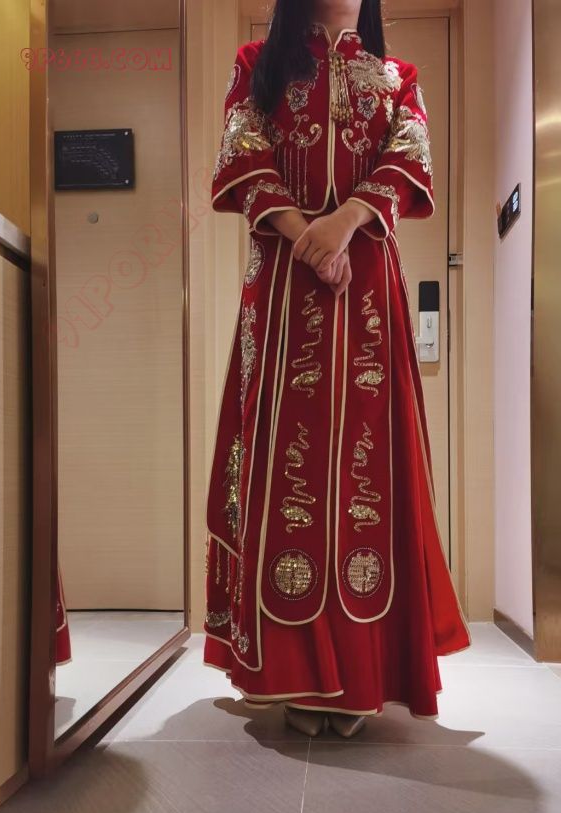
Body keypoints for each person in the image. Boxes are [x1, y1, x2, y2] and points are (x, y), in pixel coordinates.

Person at [203, 0, 471, 738]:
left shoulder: (397, 76)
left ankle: (359, 674)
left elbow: (408, 162)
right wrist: (307, 235)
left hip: (367, 299)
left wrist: (346, 221)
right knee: (284, 466)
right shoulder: (258, 67)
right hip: (283, 293)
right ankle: (291, 671)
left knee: (364, 471)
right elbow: (243, 159)